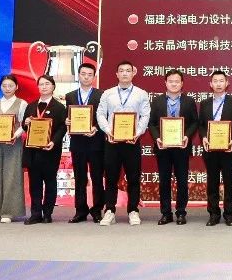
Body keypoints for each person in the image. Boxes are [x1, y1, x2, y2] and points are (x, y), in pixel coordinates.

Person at [96, 60, 151, 226]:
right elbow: (100, 114)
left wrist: (137, 133)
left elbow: (145, 116)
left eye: (128, 70)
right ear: (117, 74)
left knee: (133, 177)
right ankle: (110, 210)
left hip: (132, 142)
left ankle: (133, 210)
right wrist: (108, 131)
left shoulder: (141, 94)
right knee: (110, 177)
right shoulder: (108, 94)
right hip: (112, 142)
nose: (125, 73)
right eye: (122, 70)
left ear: (133, 73)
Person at [149, 69, 200, 225]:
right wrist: (157, 138)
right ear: (165, 83)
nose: (174, 84)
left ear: (182, 83)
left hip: (181, 147)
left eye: (177, 81)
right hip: (162, 147)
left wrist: (187, 136)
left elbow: (195, 122)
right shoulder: (156, 101)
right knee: (164, 181)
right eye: (171, 81)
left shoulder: (189, 101)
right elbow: (151, 123)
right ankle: (166, 213)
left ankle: (181, 212)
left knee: (182, 181)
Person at [21, 74, 66, 224]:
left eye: (47, 84)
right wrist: (26, 123)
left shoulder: (59, 107)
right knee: (35, 183)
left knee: (50, 182)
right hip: (33, 151)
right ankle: (35, 213)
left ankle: (47, 213)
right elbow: (24, 127)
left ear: (53, 87)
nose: (44, 87)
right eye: (41, 84)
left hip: (50, 150)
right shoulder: (31, 106)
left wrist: (53, 141)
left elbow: (62, 128)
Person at [199, 70, 232, 226]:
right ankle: (214, 214)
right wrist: (204, 137)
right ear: (210, 84)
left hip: (229, 149)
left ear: (227, 83)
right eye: (215, 81)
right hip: (210, 149)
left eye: (221, 81)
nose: (218, 84)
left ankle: (229, 214)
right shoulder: (204, 103)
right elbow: (201, 125)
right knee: (212, 183)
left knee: (229, 182)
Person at [64, 62, 105, 224]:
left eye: (89, 74)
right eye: (83, 74)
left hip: (96, 142)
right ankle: (80, 210)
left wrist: (96, 128)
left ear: (94, 77)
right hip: (77, 143)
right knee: (80, 178)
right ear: (78, 75)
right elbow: (68, 116)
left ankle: (97, 210)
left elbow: (105, 116)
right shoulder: (70, 96)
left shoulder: (101, 95)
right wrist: (67, 121)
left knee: (97, 177)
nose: (86, 77)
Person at [0, 73, 26, 223]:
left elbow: (24, 125)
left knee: (11, 177)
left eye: (10, 86)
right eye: (4, 86)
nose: (7, 88)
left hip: (13, 145)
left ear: (16, 87)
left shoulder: (22, 103)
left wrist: (15, 135)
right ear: (0, 87)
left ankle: (8, 212)